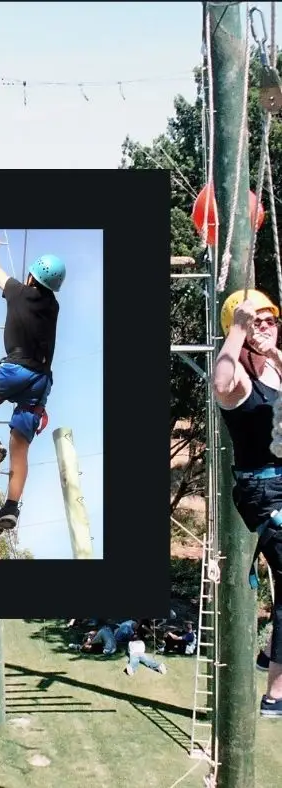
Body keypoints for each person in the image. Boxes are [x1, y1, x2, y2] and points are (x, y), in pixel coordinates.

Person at [0, 236, 64, 531]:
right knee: (21, 447)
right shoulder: (53, 307)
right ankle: (11, 508)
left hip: (15, 370)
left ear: (31, 276)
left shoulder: (18, 291)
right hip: (42, 380)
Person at [212, 289, 282, 718]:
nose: (264, 326)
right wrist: (237, 332)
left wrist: (274, 351)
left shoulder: (275, 367)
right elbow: (219, 383)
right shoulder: (236, 377)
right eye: (254, 321)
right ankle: (276, 693)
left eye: (268, 318)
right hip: (262, 488)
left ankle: (268, 654)